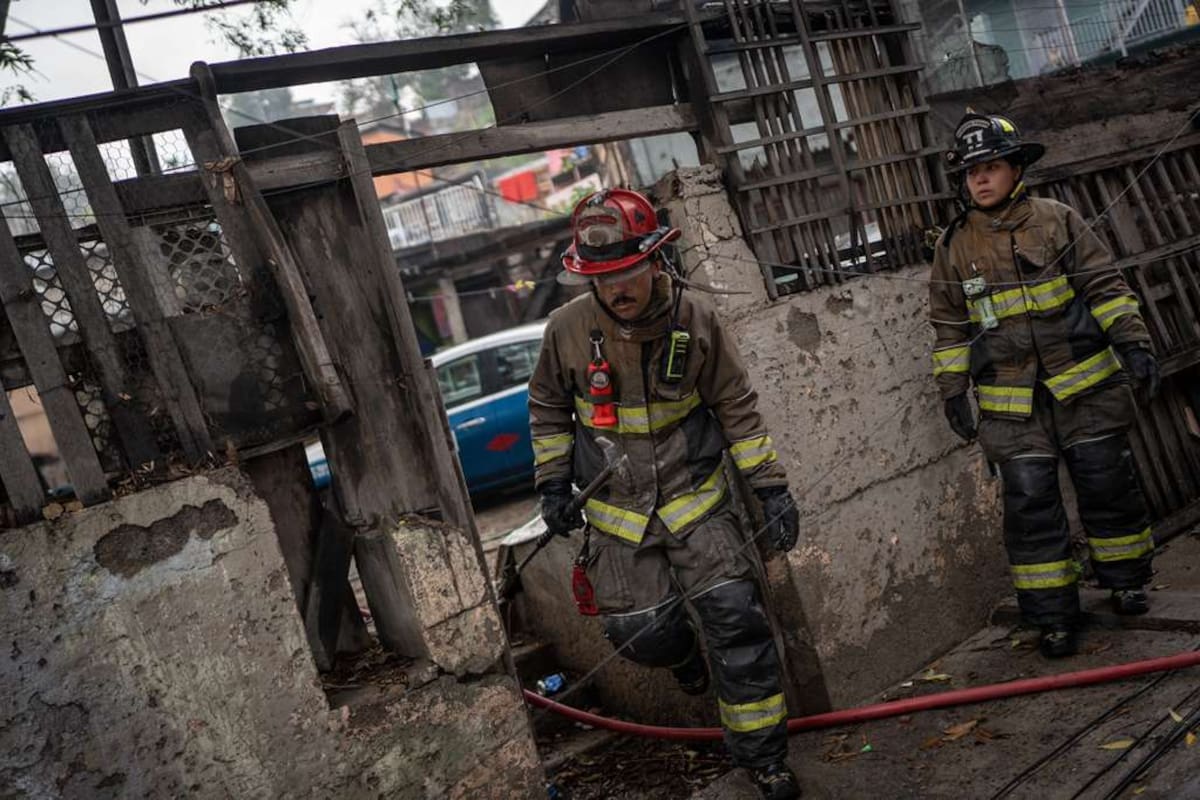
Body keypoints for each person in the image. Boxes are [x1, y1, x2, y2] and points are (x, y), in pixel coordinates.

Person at [528, 188, 803, 799]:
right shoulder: (566, 330)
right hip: (617, 518)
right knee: (642, 636)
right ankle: (682, 657)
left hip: (695, 501)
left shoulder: (696, 319)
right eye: (601, 277)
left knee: (737, 623)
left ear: (654, 260)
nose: (615, 287)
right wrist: (552, 484)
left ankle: (764, 759)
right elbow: (547, 409)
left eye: (626, 271)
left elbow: (736, 407)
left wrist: (770, 487)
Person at [929, 112, 1160, 658]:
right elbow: (949, 326)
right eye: (970, 172)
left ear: (1016, 169)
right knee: (1030, 503)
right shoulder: (954, 246)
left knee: (1107, 483)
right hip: (1013, 407)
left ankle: (1126, 583)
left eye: (990, 167)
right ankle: (1054, 616)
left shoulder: (1057, 219)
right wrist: (952, 390)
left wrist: (1134, 343)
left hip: (1086, 389)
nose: (979, 179)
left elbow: (1104, 286)